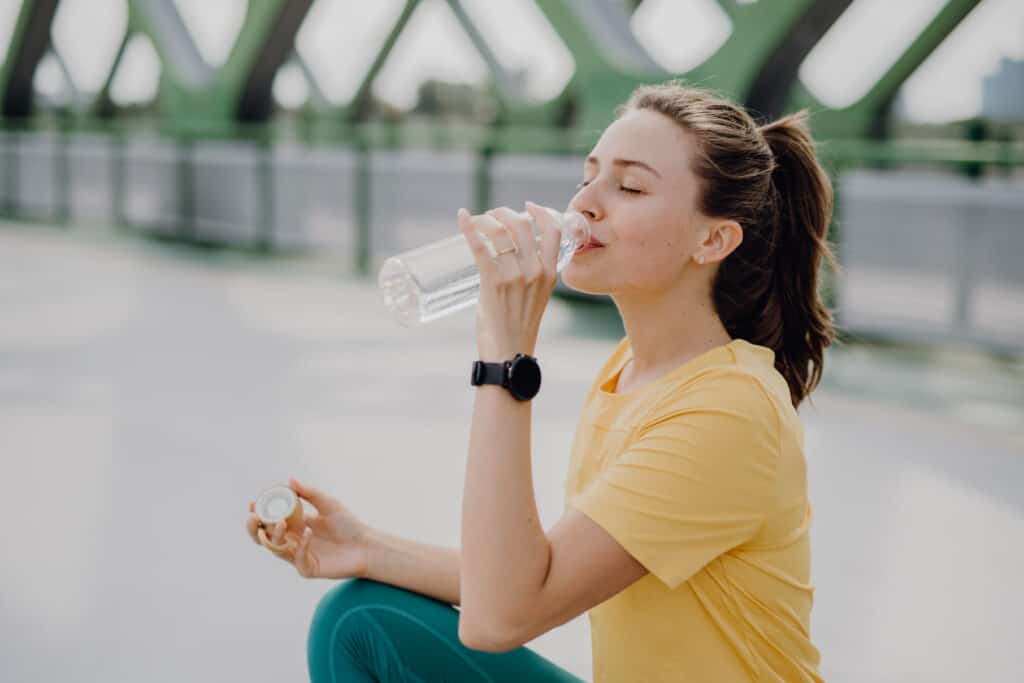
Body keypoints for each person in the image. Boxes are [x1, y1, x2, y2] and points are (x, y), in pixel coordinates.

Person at [245, 80, 836, 682]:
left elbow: (500, 618)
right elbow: (535, 573)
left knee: (364, 624)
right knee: (360, 618)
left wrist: (506, 359)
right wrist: (366, 548)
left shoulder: (729, 412)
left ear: (713, 239)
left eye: (629, 186)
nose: (586, 204)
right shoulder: (629, 371)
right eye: (588, 177)